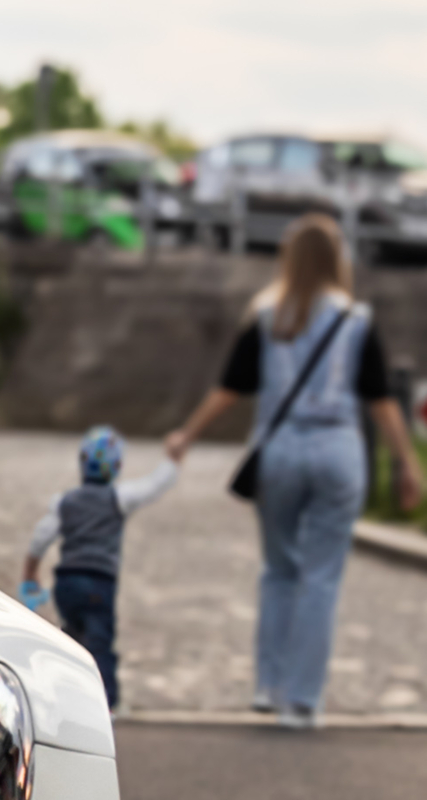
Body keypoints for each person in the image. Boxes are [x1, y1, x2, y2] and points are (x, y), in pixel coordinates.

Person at [166, 211, 421, 724]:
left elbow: (230, 388)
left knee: (279, 570)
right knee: (321, 577)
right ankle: (303, 701)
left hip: (279, 451)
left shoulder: (266, 316)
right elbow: (381, 401)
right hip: (337, 451)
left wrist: (187, 434)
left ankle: (268, 685)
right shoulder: (356, 321)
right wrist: (407, 462)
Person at [20, 425, 175, 712]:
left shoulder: (64, 502)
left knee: (71, 641)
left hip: (66, 582)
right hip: (99, 583)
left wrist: (30, 573)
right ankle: (107, 704)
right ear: (117, 466)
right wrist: (171, 460)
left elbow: (40, 538)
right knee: (100, 642)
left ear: (81, 463)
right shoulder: (119, 498)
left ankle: (64, 698)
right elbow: (153, 487)